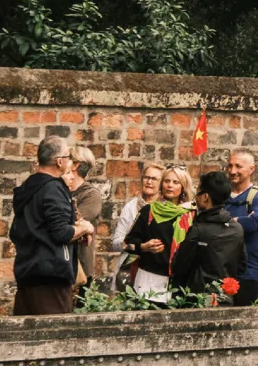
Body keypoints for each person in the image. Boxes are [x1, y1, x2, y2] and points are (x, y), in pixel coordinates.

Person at [9, 135, 96, 315]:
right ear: (59, 162)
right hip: (50, 275)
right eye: (68, 157)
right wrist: (85, 228)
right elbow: (61, 233)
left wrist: (77, 234)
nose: (70, 161)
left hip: (27, 272)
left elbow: (41, 227)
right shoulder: (54, 188)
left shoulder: (29, 185)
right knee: (54, 329)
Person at [122, 165, 193, 302]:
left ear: (183, 187)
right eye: (167, 181)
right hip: (148, 279)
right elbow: (127, 243)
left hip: (177, 282)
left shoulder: (189, 215)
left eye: (175, 182)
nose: (170, 185)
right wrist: (144, 247)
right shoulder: (148, 210)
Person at [170, 170, 247, 294]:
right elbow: (241, 266)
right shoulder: (237, 229)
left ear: (205, 197)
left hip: (198, 297)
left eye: (198, 192)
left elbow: (179, 265)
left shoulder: (199, 229)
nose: (196, 197)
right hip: (225, 295)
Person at [223, 150, 258, 305]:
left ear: (251, 169)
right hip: (220, 270)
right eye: (230, 166)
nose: (232, 171)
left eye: (238, 166)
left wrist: (228, 222)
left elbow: (256, 221)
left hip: (247, 271)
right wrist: (242, 220)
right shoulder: (222, 195)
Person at [111, 162, 164, 287]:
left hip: (156, 270)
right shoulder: (131, 207)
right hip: (130, 268)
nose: (149, 182)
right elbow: (116, 243)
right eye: (146, 177)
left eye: (154, 179)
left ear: (162, 183)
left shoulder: (166, 209)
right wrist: (138, 246)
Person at [67, 146, 104, 297]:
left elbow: (70, 225)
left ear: (75, 165)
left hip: (79, 267)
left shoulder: (90, 195)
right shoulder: (60, 190)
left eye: (67, 158)